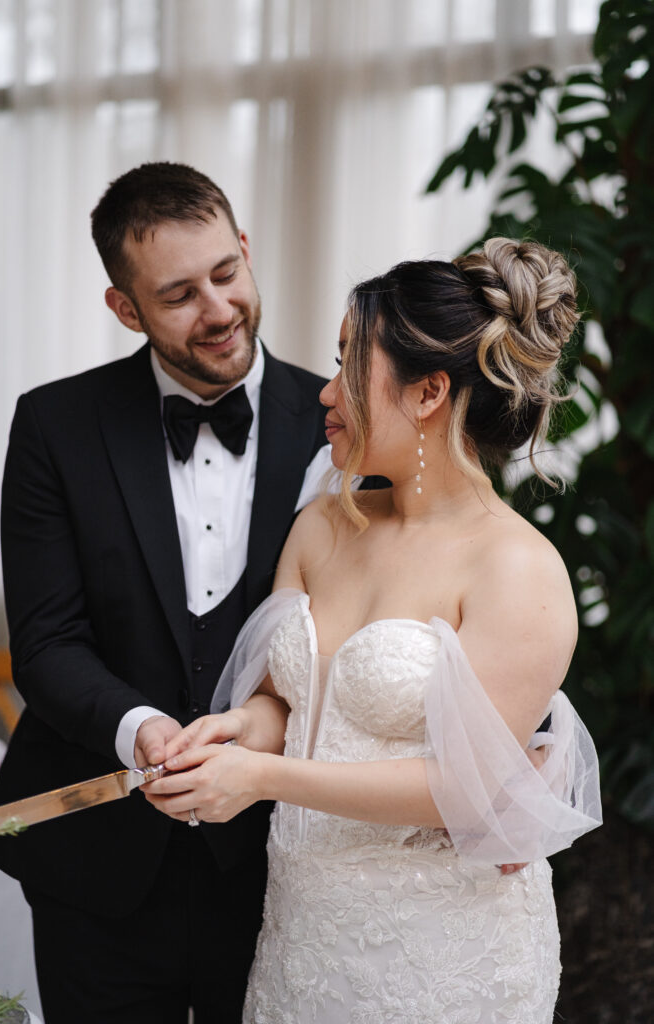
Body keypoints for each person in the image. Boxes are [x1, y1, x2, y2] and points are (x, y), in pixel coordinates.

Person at [144, 238, 602, 1023]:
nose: (326, 392)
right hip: (303, 935)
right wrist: (233, 731)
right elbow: (289, 706)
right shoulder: (324, 522)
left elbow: (467, 788)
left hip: (441, 951)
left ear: (427, 394)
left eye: (349, 367)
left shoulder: (516, 569)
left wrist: (263, 780)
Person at [0, 161, 334, 1024]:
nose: (217, 311)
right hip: (98, 871)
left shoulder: (339, 422)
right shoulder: (53, 427)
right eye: (178, 295)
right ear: (125, 309)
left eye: (226, 274)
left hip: (280, 862)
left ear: (246, 250)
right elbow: (46, 643)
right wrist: (141, 729)